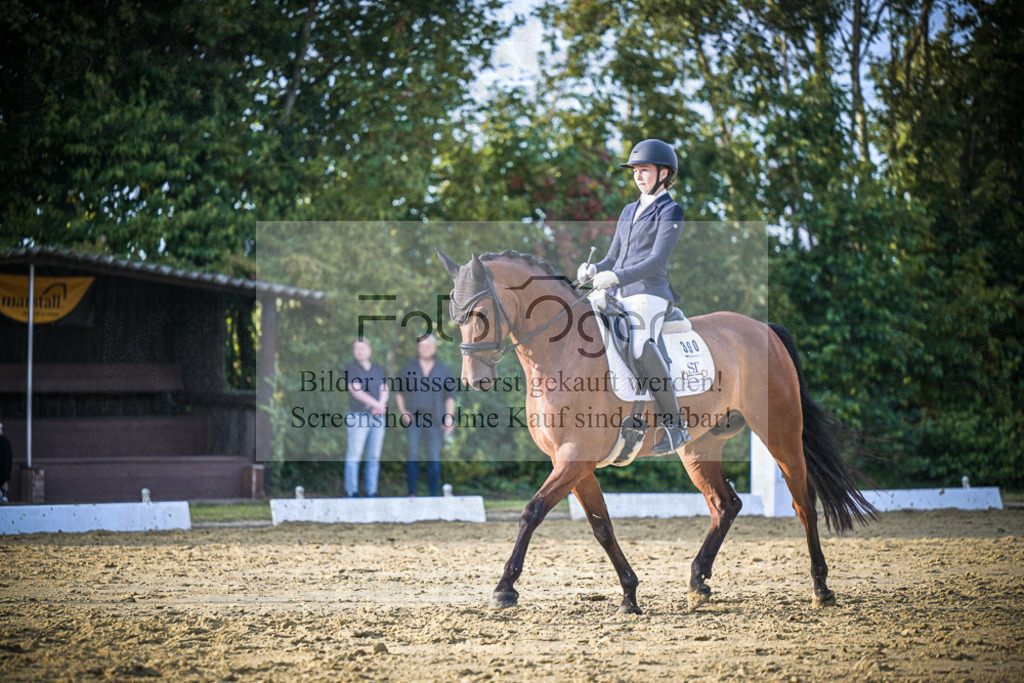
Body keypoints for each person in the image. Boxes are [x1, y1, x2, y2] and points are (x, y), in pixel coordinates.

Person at [578, 138, 692, 454]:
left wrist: (615, 277)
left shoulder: (671, 211)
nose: (638, 176)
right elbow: (612, 257)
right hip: (618, 290)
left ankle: (675, 428)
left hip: (650, 293)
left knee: (640, 344)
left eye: (645, 170)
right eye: (635, 171)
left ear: (665, 173)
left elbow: (655, 261)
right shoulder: (629, 210)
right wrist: (592, 270)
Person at [394, 335, 456, 496]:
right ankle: (412, 494)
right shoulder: (409, 367)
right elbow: (399, 392)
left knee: (434, 459)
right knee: (413, 455)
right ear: (418, 348)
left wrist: (449, 418)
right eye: (422, 346)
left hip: (435, 420)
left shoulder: (443, 369)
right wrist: (403, 412)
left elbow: (450, 397)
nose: (425, 348)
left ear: (434, 348)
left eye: (428, 346)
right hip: (414, 419)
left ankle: (433, 495)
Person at [344, 338, 389, 497]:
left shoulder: (377, 368)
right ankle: (352, 491)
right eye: (356, 348)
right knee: (354, 454)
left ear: (369, 350)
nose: (359, 351)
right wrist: (376, 405)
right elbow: (356, 391)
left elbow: (384, 388)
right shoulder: (351, 368)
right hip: (358, 416)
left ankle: (372, 492)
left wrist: (382, 405)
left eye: (362, 348)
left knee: (374, 456)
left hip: (377, 417)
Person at [0, 421, 12, 503]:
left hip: (4, 469)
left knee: (4, 482)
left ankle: (4, 495)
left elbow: (8, 456)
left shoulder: (5, 441)